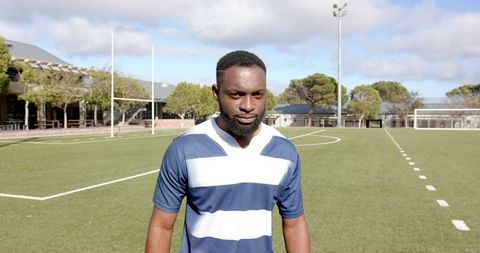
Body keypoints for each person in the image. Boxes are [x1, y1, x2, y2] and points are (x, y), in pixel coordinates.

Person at [145, 50, 310, 253]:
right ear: (216, 92)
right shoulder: (184, 148)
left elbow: (294, 223)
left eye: (257, 94)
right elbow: (162, 226)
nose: (248, 106)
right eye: (236, 95)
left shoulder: (284, 151)